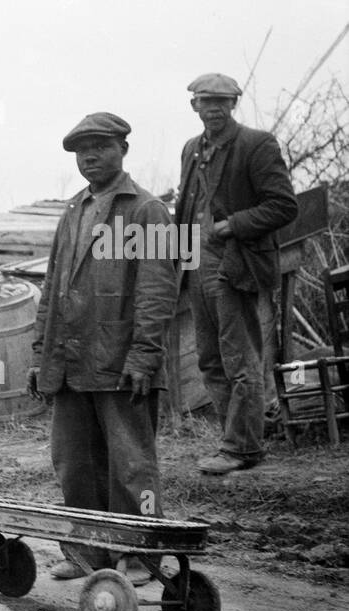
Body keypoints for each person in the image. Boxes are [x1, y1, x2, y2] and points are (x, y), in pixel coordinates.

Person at [27, 112, 179, 584]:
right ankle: (88, 555)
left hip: (120, 363)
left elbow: (158, 290)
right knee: (74, 462)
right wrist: (39, 354)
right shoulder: (72, 211)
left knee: (131, 465)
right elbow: (52, 288)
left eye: (101, 146)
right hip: (70, 364)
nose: (90, 156)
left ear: (123, 150)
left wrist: (143, 356)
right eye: (81, 149)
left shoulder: (146, 210)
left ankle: (140, 556)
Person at [175, 73, 298, 475]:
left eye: (222, 101)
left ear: (233, 105)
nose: (214, 108)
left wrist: (234, 225)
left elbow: (283, 206)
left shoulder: (256, 144)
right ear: (194, 105)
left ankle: (241, 446)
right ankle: (239, 443)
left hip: (235, 263)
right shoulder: (192, 149)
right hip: (196, 265)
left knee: (240, 358)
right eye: (206, 101)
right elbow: (186, 211)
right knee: (210, 360)